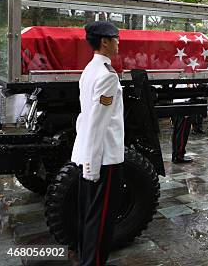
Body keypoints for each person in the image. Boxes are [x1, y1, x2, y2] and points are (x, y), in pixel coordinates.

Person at [72, 21, 124, 266]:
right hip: (104, 158)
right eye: (115, 38)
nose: (118, 42)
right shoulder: (106, 76)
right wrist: (92, 167)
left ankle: (87, 259)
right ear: (104, 41)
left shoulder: (90, 70)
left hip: (91, 155)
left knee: (89, 216)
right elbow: (96, 122)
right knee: (101, 221)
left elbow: (84, 118)